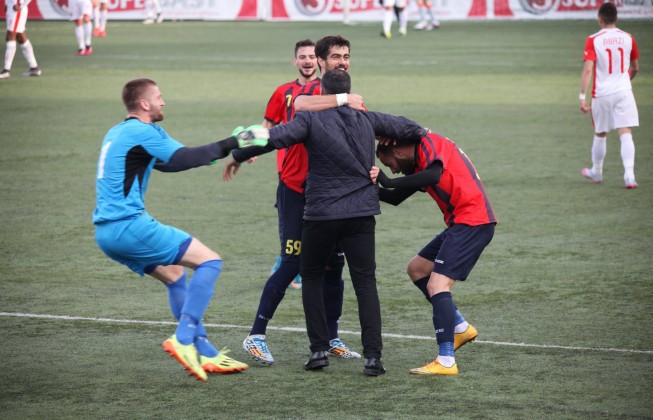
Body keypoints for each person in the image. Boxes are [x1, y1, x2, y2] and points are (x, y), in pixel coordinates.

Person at [232, 69, 426, 376]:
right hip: (361, 213)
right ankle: (373, 358)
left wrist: (237, 152)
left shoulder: (310, 119)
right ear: (350, 92)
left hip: (322, 213)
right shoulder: (368, 118)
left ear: (323, 93)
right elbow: (414, 128)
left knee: (310, 276)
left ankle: (319, 350)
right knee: (365, 284)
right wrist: (392, 134)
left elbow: (273, 139)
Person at [93, 78, 267, 381]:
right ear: (144, 104)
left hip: (106, 234)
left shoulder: (117, 132)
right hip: (128, 225)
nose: (163, 102)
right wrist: (236, 141)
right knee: (210, 261)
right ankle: (183, 338)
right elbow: (184, 157)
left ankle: (208, 354)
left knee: (174, 275)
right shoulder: (142, 130)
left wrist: (219, 152)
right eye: (159, 97)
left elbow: (169, 165)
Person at [224, 38, 362, 365]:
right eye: (334, 57)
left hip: (329, 196)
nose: (341, 62)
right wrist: (238, 152)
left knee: (334, 266)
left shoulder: (341, 93)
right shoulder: (309, 95)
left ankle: (331, 338)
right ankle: (256, 334)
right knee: (292, 261)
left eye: (346, 57)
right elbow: (275, 127)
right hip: (296, 188)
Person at [372, 131, 496, 376]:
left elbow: (432, 175)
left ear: (398, 151)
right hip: (461, 224)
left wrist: (387, 180)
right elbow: (395, 198)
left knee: (437, 285)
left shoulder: (430, 145)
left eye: (390, 164)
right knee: (417, 268)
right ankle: (459, 326)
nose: (393, 170)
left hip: (472, 222)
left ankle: (446, 360)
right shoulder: (419, 161)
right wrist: (361, 186)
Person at [579, 2, 639, 189]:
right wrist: (625, 81)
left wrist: (582, 96)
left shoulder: (593, 39)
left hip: (602, 94)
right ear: (616, 18)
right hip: (623, 91)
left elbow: (588, 70)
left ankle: (597, 172)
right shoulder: (629, 38)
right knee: (625, 132)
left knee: (600, 133)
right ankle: (629, 176)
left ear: (600, 19)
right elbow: (635, 67)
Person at [0, 0, 40, 79]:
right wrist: (6, 3)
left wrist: (21, 6)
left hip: (16, 9)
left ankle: (6, 70)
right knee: (20, 37)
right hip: (12, 8)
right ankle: (34, 68)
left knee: (10, 36)